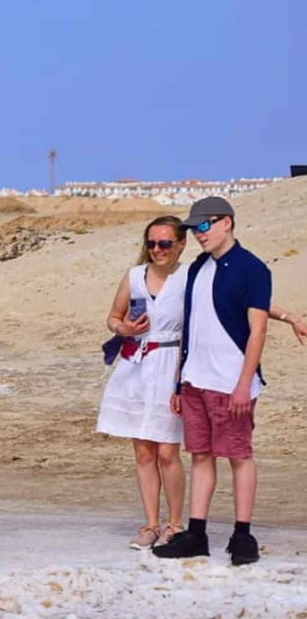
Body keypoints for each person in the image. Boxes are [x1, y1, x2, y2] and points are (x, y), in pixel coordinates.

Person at [153, 197, 272, 565]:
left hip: (230, 382)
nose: (199, 234)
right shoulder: (197, 268)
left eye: (204, 226)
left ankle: (243, 535)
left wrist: (243, 383)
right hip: (195, 381)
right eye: (194, 229)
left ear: (226, 223)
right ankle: (197, 533)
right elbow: (190, 327)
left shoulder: (252, 268)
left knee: (239, 455)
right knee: (201, 455)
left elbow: (257, 330)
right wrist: (179, 381)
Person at [95, 216, 187, 549]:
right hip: (136, 366)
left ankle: (175, 524)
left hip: (171, 364)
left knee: (168, 451)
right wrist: (124, 329)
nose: (157, 249)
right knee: (143, 451)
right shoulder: (134, 276)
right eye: (151, 243)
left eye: (165, 243)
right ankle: (150, 524)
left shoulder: (189, 277)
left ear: (180, 244)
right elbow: (113, 317)